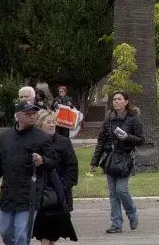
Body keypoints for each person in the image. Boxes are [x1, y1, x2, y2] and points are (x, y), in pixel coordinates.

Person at [0, 101, 58, 245]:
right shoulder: (4, 138)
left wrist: (42, 160)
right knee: (5, 231)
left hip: (29, 194)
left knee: (22, 234)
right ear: (18, 116)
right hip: (8, 193)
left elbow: (53, 161)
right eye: (28, 113)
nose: (32, 116)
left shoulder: (42, 138)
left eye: (34, 113)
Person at [90, 91, 143, 233]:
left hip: (125, 158)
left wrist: (127, 137)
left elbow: (141, 140)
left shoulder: (133, 118)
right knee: (113, 193)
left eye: (119, 99)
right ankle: (116, 224)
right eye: (114, 99)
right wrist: (95, 161)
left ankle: (132, 213)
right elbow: (101, 140)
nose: (116, 101)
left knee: (122, 190)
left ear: (126, 102)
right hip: (110, 158)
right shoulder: (109, 117)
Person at [32, 109, 78, 245]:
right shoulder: (33, 142)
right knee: (44, 231)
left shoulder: (64, 142)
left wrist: (65, 186)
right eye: (48, 122)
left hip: (58, 191)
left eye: (54, 122)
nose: (52, 125)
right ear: (40, 124)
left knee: (53, 233)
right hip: (39, 190)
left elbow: (72, 166)